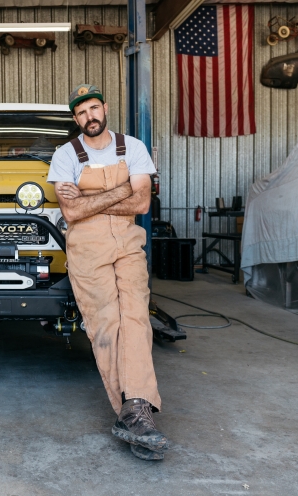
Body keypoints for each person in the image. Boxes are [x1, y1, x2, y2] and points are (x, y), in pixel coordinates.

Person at [47, 84, 170, 461]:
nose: (90, 117)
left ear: (105, 108)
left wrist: (89, 200)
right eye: (82, 113)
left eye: (94, 108)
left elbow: (143, 201)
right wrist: (120, 191)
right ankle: (132, 413)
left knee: (136, 320)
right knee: (106, 325)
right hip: (87, 248)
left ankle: (136, 408)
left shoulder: (132, 147)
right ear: (75, 118)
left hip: (129, 244)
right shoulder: (65, 154)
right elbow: (70, 214)